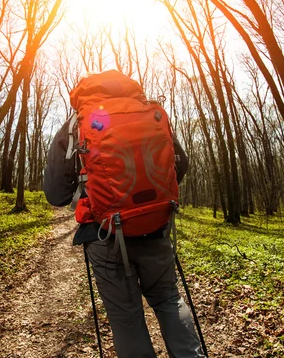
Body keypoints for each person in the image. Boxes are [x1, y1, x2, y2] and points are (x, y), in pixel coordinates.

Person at [43, 70, 205, 358]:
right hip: (156, 226)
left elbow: (56, 194)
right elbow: (181, 164)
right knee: (168, 298)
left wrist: (89, 192)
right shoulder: (151, 113)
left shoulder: (76, 123)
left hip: (104, 236)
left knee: (126, 318)